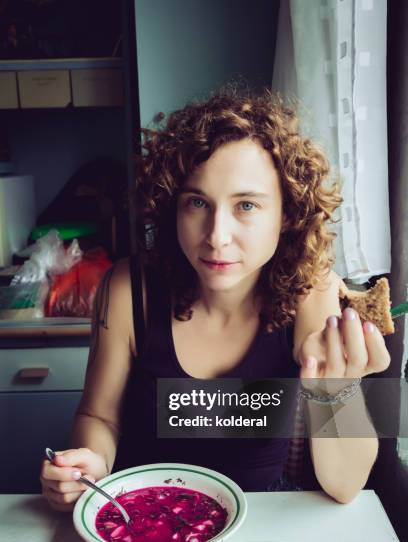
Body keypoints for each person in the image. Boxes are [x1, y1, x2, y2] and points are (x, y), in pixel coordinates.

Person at [40, 87, 390, 512]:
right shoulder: (129, 290)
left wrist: (337, 390)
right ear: (173, 206)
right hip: (141, 520)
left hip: (258, 529)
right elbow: (99, 417)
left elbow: (345, 486)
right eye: (197, 202)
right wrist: (91, 467)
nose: (216, 236)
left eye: (246, 205)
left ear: (288, 213)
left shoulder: (309, 292)